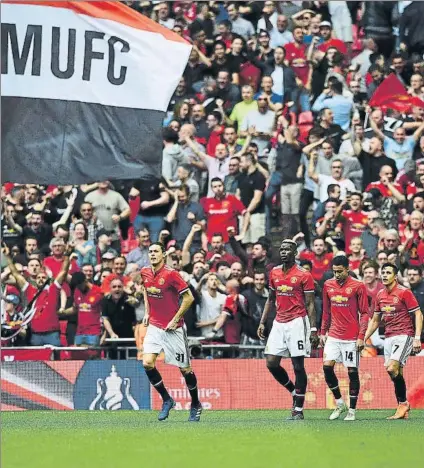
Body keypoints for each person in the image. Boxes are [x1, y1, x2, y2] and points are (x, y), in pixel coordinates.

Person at [257, 239, 318, 420]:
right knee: (271, 363)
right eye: (281, 249)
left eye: (287, 250)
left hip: (297, 323)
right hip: (279, 322)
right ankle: (293, 391)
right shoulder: (274, 272)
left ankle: (298, 409)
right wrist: (262, 322)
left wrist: (313, 329)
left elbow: (310, 304)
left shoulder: (304, 275)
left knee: (298, 366)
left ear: (295, 253)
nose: (283, 252)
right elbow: (270, 299)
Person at [141, 243, 202, 422]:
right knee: (147, 363)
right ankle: (167, 399)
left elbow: (189, 297)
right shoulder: (144, 272)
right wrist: (147, 312)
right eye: (150, 251)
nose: (152, 254)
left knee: (185, 369)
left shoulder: (171, 274)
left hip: (174, 329)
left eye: (155, 251)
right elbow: (146, 290)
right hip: (154, 326)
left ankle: (196, 403)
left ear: (164, 254)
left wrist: (175, 319)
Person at [362, 263, 423, 420]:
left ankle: (403, 404)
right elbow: (375, 320)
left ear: (395, 276)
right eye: (383, 272)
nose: (384, 275)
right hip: (389, 337)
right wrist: (363, 337)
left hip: (404, 335)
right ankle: (402, 409)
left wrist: (417, 338)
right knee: (396, 373)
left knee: (392, 368)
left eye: (388, 272)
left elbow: (418, 314)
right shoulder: (380, 295)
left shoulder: (404, 292)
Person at [320, 256, 370, 422]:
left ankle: (352, 411)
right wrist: (322, 332)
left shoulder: (358, 286)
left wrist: (361, 337)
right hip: (333, 336)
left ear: (347, 269)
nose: (336, 275)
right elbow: (326, 312)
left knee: (352, 372)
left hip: (351, 338)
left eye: (340, 271)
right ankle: (340, 403)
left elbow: (364, 313)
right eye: (334, 271)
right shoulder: (328, 285)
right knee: (327, 368)